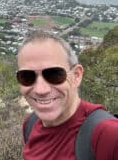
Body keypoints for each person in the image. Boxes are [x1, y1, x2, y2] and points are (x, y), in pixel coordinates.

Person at [16, 30, 118, 160]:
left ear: (76, 76)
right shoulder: (30, 124)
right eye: (27, 76)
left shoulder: (108, 135)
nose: (41, 90)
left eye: (54, 74)